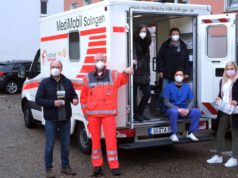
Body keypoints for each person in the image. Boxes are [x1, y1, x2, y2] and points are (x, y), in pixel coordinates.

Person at [80, 53, 133, 177]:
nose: (99, 62)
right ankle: (96, 166)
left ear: (105, 61)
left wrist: (126, 72)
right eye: (97, 60)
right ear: (94, 62)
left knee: (111, 141)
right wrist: (86, 113)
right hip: (93, 116)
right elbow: (83, 97)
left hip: (108, 115)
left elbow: (123, 79)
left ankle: (114, 166)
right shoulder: (87, 77)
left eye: (101, 60)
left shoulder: (113, 74)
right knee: (95, 142)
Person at [36, 60, 79, 178]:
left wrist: (75, 100)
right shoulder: (45, 83)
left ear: (61, 69)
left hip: (65, 119)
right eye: (53, 66)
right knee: (50, 144)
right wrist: (53, 103)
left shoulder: (67, 82)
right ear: (50, 69)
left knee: (66, 144)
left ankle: (65, 167)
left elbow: (73, 95)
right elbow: (38, 100)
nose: (55, 68)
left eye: (58, 67)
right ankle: (48, 169)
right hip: (51, 120)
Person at [207, 61, 238, 168]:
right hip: (224, 110)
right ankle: (218, 156)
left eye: (232, 68)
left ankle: (234, 158)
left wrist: (236, 100)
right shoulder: (223, 80)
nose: (230, 71)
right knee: (220, 133)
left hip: (235, 111)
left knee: (235, 135)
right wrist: (218, 97)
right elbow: (221, 94)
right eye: (228, 69)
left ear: (235, 69)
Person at [156, 27, 190, 112]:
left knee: (177, 92)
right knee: (164, 91)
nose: (175, 36)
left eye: (177, 34)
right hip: (167, 73)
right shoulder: (165, 45)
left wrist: (187, 73)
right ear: (170, 35)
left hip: (179, 74)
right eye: (174, 34)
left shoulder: (183, 46)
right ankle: (159, 108)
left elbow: (186, 59)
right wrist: (160, 70)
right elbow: (159, 58)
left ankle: (174, 109)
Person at [163, 68, 200, 142]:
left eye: (181, 75)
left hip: (184, 109)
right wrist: (178, 109)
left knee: (196, 112)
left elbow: (191, 101)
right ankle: (173, 134)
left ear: (183, 77)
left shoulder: (187, 87)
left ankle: (191, 133)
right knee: (174, 112)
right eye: (177, 75)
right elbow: (166, 102)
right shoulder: (169, 87)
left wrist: (187, 109)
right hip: (171, 110)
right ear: (174, 76)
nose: (179, 76)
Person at [133, 24, 152, 122]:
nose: (143, 33)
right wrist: (135, 62)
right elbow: (134, 55)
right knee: (134, 96)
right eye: (142, 31)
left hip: (145, 73)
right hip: (136, 72)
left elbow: (147, 59)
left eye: (145, 31)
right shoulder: (134, 42)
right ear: (138, 32)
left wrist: (148, 73)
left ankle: (139, 112)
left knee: (148, 93)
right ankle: (135, 114)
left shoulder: (147, 43)